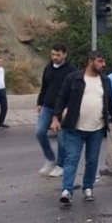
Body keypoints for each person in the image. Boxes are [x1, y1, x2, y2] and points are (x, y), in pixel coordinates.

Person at [52, 50, 112, 204]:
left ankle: (88, 187)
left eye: (104, 61)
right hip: (74, 128)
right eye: (100, 61)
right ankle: (67, 190)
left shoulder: (105, 81)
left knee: (92, 160)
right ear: (90, 61)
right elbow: (62, 98)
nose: (103, 64)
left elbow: (111, 102)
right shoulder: (74, 78)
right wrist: (56, 118)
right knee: (72, 159)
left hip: (97, 129)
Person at [36, 43, 77, 177]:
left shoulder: (71, 70)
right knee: (40, 132)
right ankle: (50, 159)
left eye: (58, 55)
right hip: (48, 106)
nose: (54, 57)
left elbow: (74, 91)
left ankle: (61, 165)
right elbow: (44, 86)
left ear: (64, 55)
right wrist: (40, 102)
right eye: (53, 54)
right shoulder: (48, 67)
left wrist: (68, 107)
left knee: (61, 138)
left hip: (63, 109)